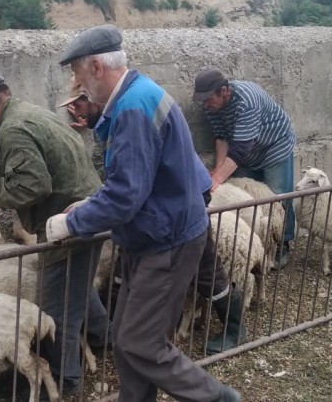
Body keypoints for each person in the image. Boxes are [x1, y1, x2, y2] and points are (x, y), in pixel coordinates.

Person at [46, 24, 241, 402]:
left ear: (97, 68)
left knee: (140, 341)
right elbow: (134, 175)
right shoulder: (139, 94)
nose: (77, 83)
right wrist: (91, 205)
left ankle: (218, 398)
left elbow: (125, 195)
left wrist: (71, 223)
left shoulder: (133, 109)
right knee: (126, 339)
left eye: (78, 73)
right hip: (160, 228)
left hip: (165, 239)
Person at [59, 84, 247, 355]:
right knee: (126, 261)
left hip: (184, 195)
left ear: (95, 99)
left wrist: (77, 221)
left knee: (205, 266)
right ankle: (118, 332)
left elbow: (128, 185)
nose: (75, 112)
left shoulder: (128, 115)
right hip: (160, 199)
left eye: (78, 104)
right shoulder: (111, 120)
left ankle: (234, 327)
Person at [0, 71, 109, 399]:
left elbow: (33, 185)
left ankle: (64, 379)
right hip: (89, 210)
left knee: (57, 305)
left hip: (69, 224)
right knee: (79, 284)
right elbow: (28, 164)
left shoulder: (13, 129)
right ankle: (104, 338)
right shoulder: (30, 113)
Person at [192, 68, 297, 270]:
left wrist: (217, 180)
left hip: (274, 145)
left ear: (224, 91)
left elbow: (239, 149)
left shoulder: (247, 100)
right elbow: (221, 137)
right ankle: (254, 247)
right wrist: (218, 170)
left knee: (278, 196)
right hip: (245, 150)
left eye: (207, 99)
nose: (205, 104)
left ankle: (282, 243)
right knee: (244, 196)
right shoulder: (211, 107)